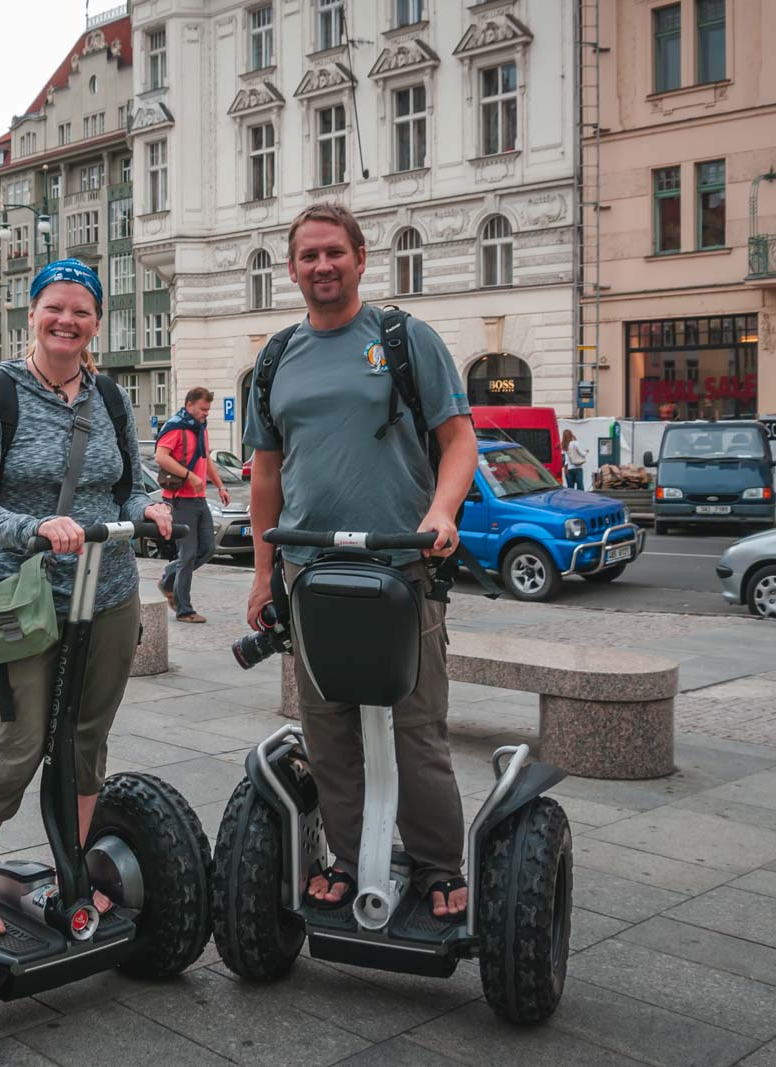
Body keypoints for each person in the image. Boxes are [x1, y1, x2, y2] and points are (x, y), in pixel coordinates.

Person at [244, 203, 478, 920]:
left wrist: (441, 512)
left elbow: (460, 440)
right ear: (292, 269)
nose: (321, 266)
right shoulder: (278, 356)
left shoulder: (404, 338)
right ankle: (346, 858)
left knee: (417, 727)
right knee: (329, 727)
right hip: (310, 573)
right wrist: (262, 574)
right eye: (308, 256)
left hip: (401, 567)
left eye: (333, 253)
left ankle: (439, 863)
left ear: (360, 258)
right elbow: (265, 474)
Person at [0, 258, 173, 936]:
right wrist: (35, 528)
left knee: (84, 741)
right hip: (26, 597)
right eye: (55, 307)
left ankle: (71, 871)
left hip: (107, 591)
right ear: (33, 313)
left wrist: (153, 505)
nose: (67, 321)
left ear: (96, 323)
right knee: (19, 744)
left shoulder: (109, 399)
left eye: (81, 311)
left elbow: (128, 485)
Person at [155, 387, 229, 623]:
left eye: (208, 409)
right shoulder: (177, 427)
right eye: (203, 409)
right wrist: (190, 476)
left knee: (207, 549)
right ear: (189, 406)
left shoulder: (200, 429)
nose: (206, 413)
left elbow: (205, 460)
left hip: (199, 499)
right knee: (187, 555)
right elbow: (161, 456)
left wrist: (220, 486)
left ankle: (168, 578)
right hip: (179, 500)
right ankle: (184, 610)